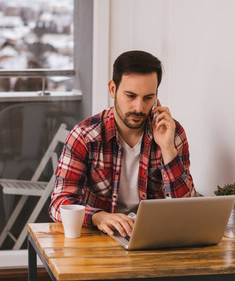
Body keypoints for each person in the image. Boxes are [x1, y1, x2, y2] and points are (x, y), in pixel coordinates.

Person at [49, 50, 196, 238]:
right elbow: (59, 203)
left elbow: (186, 210)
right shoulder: (84, 136)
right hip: (98, 240)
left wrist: (167, 149)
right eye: (131, 96)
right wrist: (99, 217)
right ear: (112, 89)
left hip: (154, 240)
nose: (139, 107)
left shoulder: (171, 133)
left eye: (148, 98)